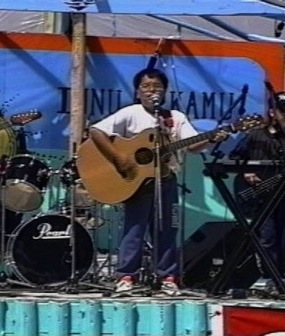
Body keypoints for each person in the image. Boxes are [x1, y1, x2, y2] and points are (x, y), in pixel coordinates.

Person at [88, 68, 228, 294]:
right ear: (137, 92)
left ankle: (168, 277)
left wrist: (210, 138)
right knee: (135, 229)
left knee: (168, 228)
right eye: (146, 87)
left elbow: (191, 145)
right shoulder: (131, 113)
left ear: (164, 92)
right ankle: (126, 276)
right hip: (138, 182)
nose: (152, 91)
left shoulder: (174, 118)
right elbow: (96, 131)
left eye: (157, 87)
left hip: (167, 179)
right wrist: (118, 157)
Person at [229, 91, 285, 289]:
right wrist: (247, 170)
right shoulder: (255, 136)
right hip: (260, 197)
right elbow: (235, 157)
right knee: (266, 238)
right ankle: (268, 276)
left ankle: (281, 276)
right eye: (284, 110)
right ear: (272, 111)